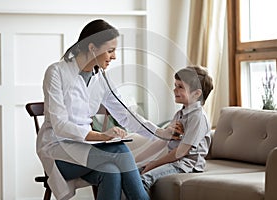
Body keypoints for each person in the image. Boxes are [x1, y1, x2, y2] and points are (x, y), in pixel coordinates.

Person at [36, 19, 181, 200]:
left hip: (87, 149)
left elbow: (126, 114)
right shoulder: (57, 72)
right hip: (58, 150)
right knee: (119, 150)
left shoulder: (101, 78)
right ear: (92, 48)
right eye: (110, 50)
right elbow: (60, 125)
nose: (114, 56)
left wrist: (160, 132)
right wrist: (101, 136)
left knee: (111, 171)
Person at [140, 65, 214, 194]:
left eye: (180, 87)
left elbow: (180, 153)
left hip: (186, 165)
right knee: (130, 173)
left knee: (143, 179)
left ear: (197, 93)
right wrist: (136, 160)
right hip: (176, 162)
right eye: (175, 85)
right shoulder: (180, 114)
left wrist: (153, 164)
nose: (174, 90)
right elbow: (163, 141)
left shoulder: (198, 117)